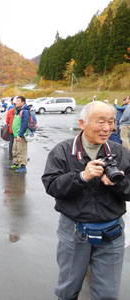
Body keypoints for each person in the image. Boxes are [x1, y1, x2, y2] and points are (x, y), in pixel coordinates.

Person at [42, 101, 130, 300]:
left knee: (107, 294)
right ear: (82, 123)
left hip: (112, 233)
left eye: (111, 122)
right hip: (74, 231)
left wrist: (117, 183)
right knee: (68, 289)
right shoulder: (63, 151)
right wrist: (82, 177)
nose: (107, 128)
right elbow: (51, 186)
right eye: (100, 122)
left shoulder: (121, 152)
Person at [8, 96, 30, 173]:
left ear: (23, 102)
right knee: (15, 150)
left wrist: (20, 134)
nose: (16, 102)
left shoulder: (25, 111)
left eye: (18, 101)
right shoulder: (18, 110)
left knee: (22, 151)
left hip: (21, 136)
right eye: (16, 101)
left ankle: (23, 166)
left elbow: (24, 124)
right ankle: (16, 163)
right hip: (16, 135)